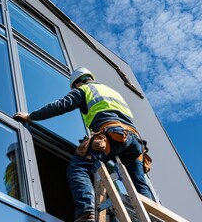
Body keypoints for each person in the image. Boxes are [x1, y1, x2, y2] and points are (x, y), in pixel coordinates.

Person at [13, 66, 153, 222]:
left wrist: (32, 116)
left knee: (78, 168)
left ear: (76, 84)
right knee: (139, 185)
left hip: (112, 133)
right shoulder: (112, 91)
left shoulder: (85, 90)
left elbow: (61, 105)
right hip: (136, 142)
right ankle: (151, 217)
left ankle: (86, 212)